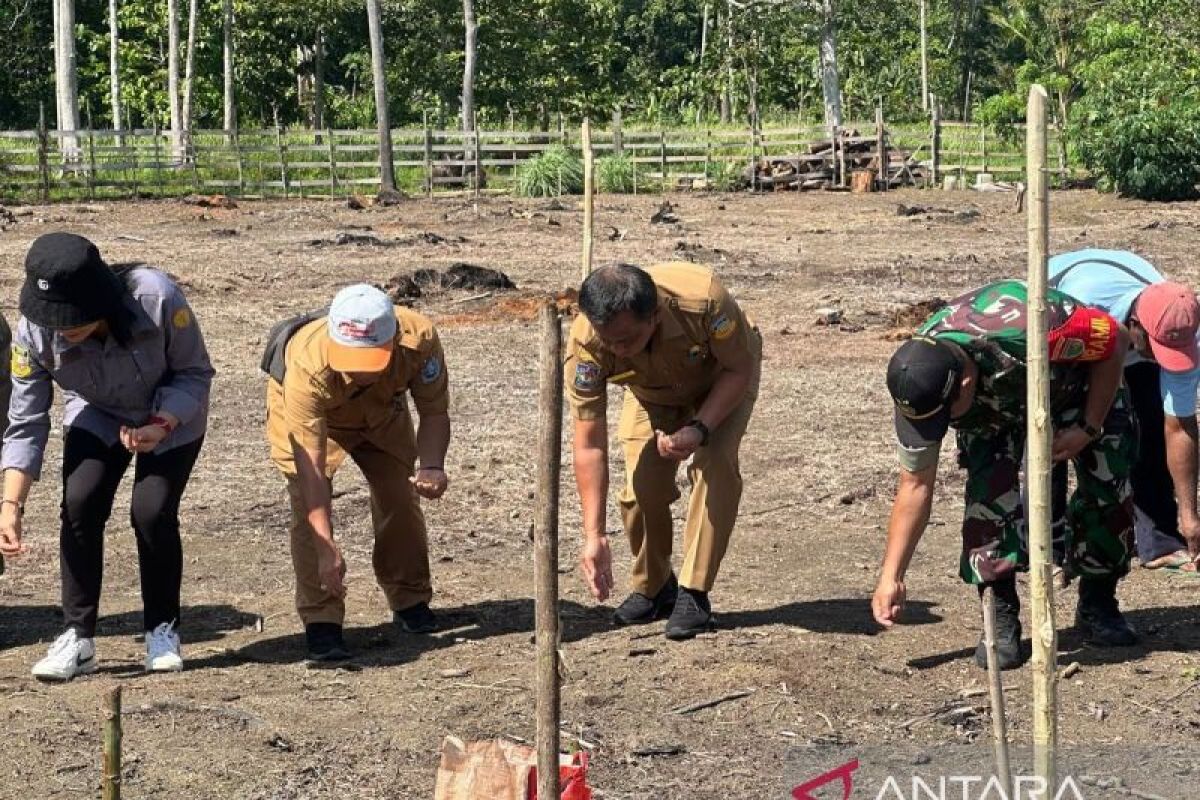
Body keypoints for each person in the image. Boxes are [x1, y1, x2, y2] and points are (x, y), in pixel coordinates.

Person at [872, 279, 1137, 670]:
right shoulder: (918, 379)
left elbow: (1116, 340)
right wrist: (890, 576)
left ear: (964, 382)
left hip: (1077, 387)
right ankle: (1000, 612)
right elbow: (914, 485)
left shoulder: (1045, 329)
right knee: (987, 495)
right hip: (993, 412)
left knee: (1108, 484)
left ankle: (1098, 599)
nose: (941, 428)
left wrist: (1089, 426)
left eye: (947, 417)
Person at [0, 232, 214, 680]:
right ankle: (77, 637)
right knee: (80, 501)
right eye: (56, 319)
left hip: (169, 411)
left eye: (74, 318)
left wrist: (163, 424)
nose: (63, 328)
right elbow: (26, 420)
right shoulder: (32, 332)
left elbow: (195, 372)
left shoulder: (156, 297)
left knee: (151, 511)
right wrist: (9, 504)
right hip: (97, 410)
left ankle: (162, 629)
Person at [566, 262, 760, 640]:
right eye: (610, 341)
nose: (616, 348)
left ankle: (694, 592)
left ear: (654, 316)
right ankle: (656, 587)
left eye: (626, 340)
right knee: (641, 489)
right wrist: (594, 535)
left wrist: (701, 428)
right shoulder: (588, 341)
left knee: (714, 465)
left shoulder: (704, 301)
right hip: (650, 392)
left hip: (720, 379)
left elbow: (738, 368)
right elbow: (589, 444)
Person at [264, 284, 451, 661]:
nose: (358, 370)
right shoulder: (306, 363)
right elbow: (311, 466)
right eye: (349, 357)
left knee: (400, 495)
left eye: (370, 360)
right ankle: (322, 621)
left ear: (395, 340)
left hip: (383, 415)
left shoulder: (420, 339)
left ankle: (409, 599)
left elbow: (434, 411)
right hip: (314, 422)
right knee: (309, 513)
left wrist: (431, 465)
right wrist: (326, 547)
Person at [1047, 249, 1200, 570]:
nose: (1163, 360)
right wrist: (1087, 428)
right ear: (1134, 325)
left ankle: (1159, 540)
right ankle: (1049, 543)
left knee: (1152, 426)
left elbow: (1180, 427)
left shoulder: (1182, 327)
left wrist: (1190, 515)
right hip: (1063, 338)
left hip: (1124, 339)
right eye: (1157, 350)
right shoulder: (1078, 306)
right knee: (1051, 434)